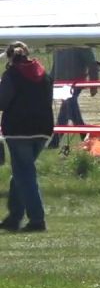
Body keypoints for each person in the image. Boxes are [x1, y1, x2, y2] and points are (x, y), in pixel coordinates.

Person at [0, 42, 54, 232]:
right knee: (22, 173)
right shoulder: (43, 74)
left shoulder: (11, 75)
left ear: (9, 57)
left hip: (18, 130)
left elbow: (3, 102)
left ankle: (37, 219)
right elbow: (48, 100)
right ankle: (14, 216)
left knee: (25, 174)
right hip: (43, 129)